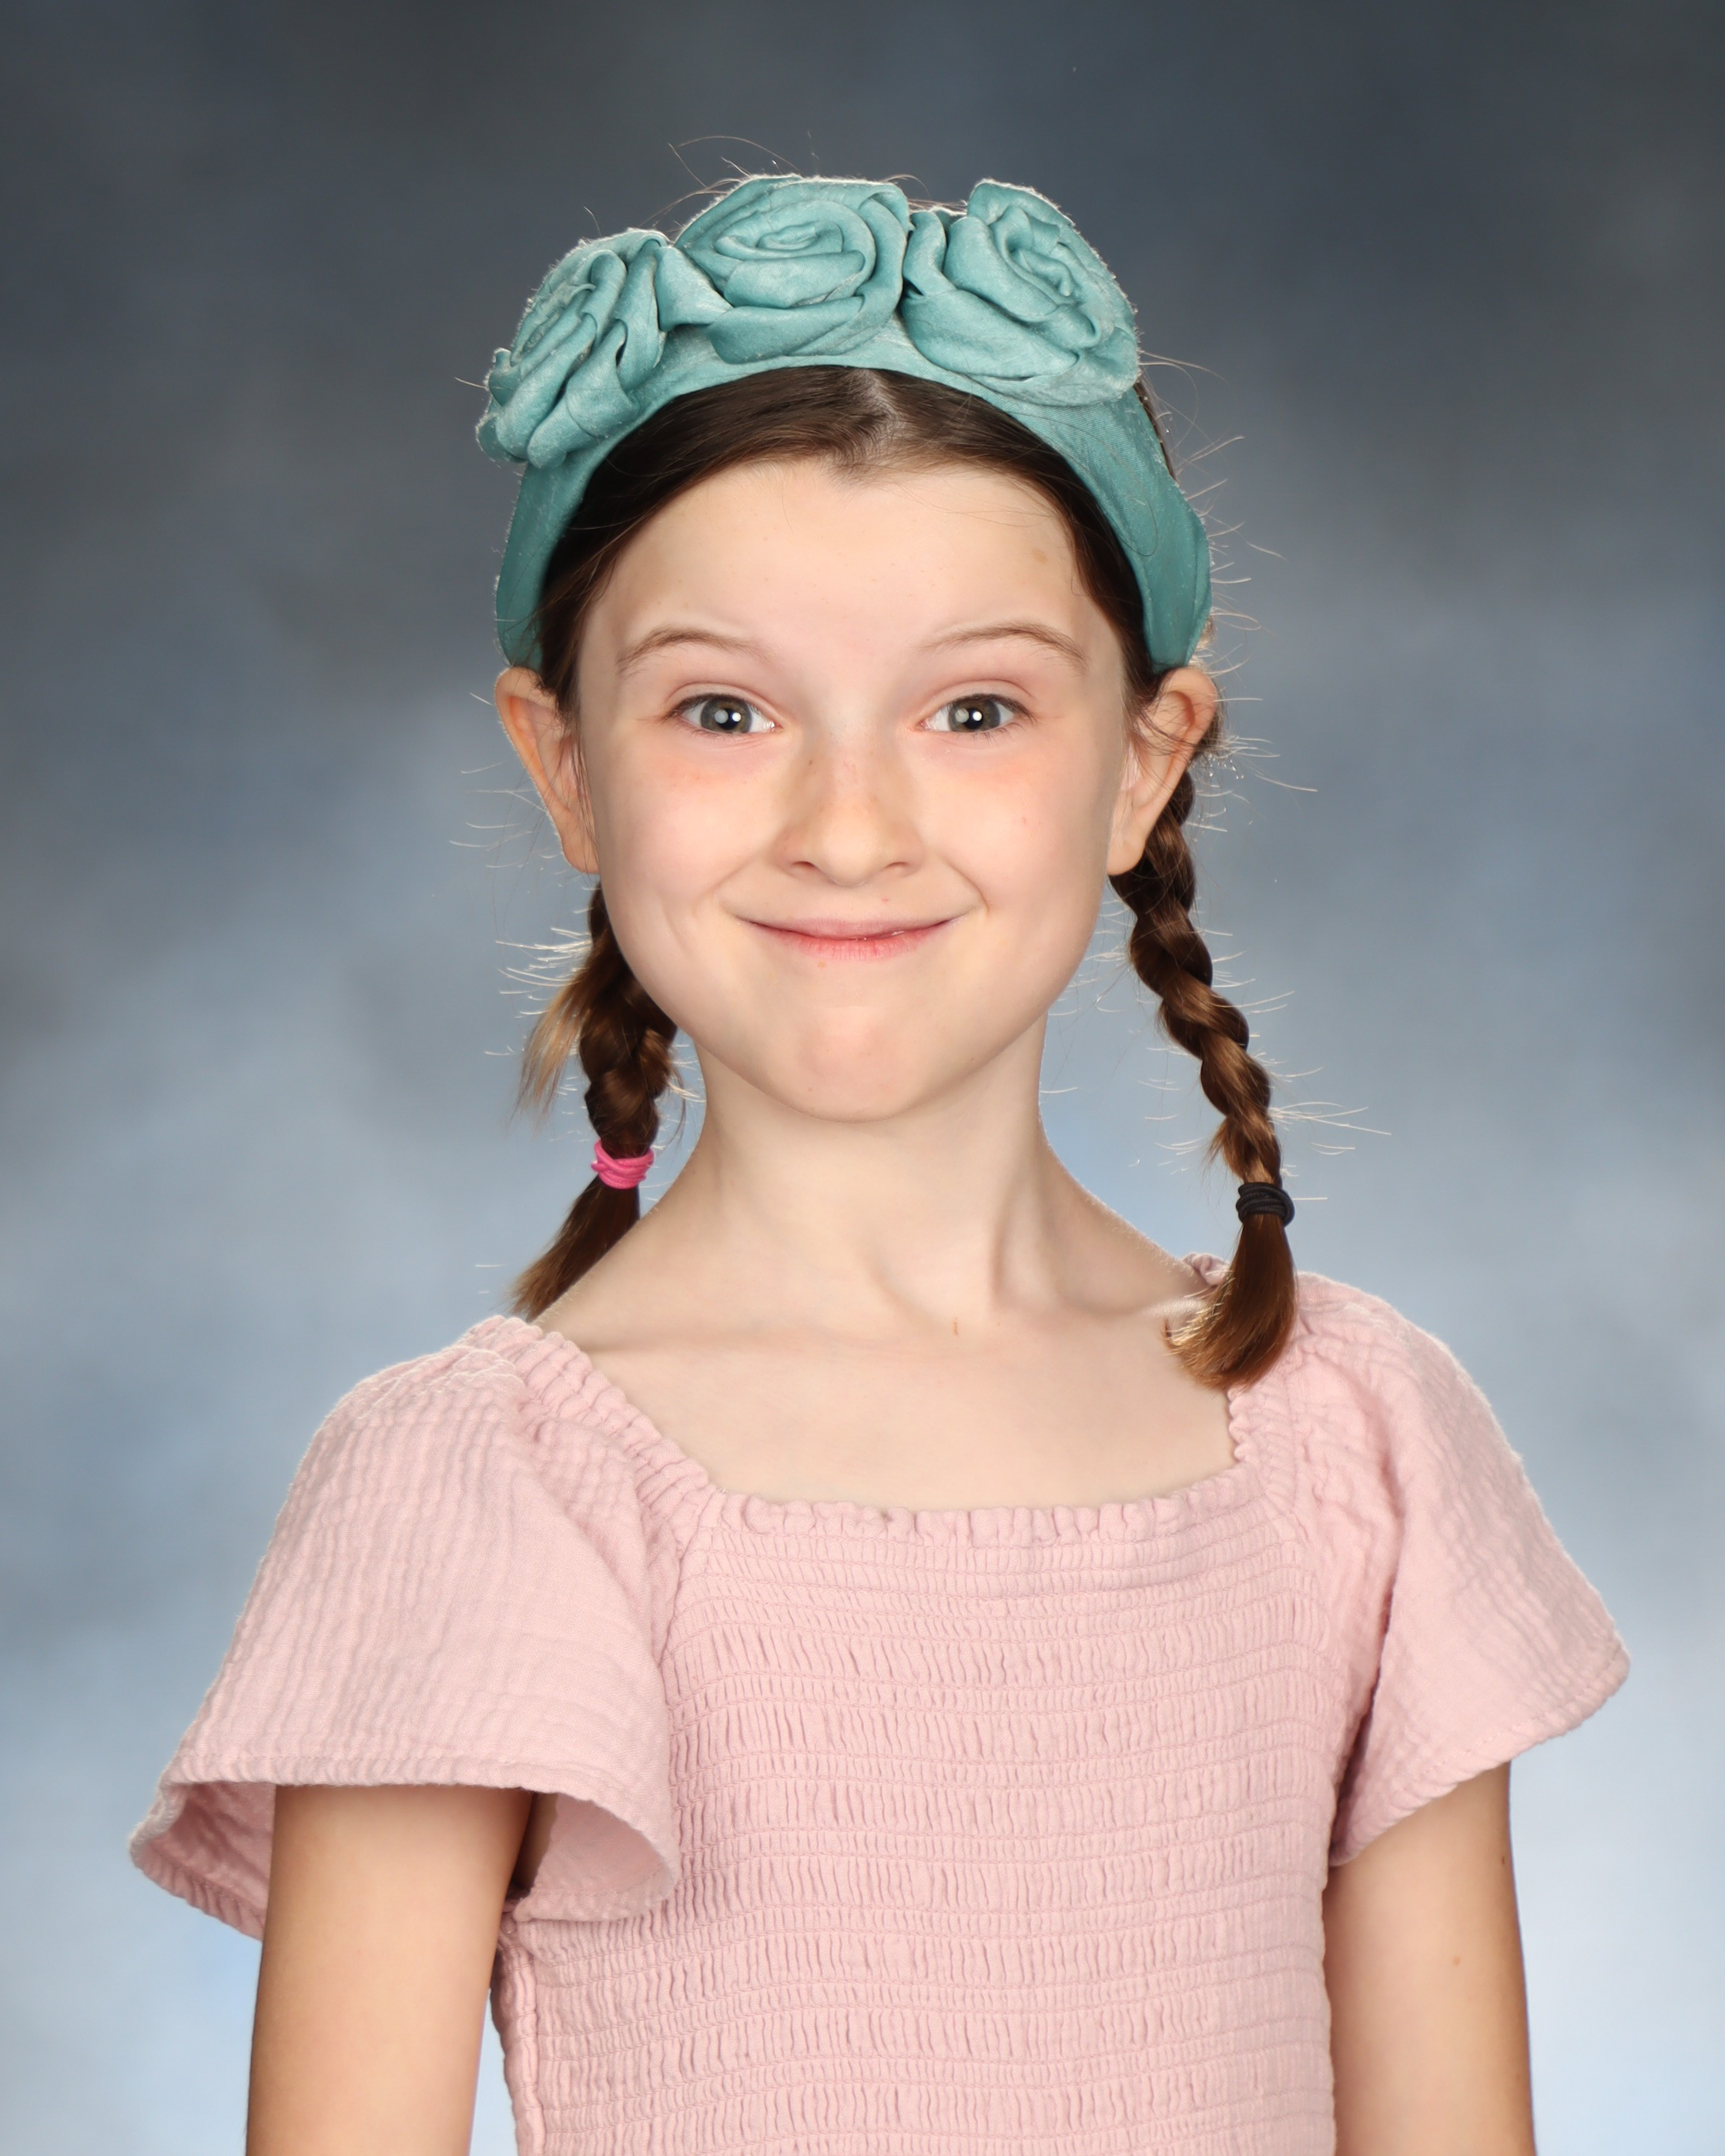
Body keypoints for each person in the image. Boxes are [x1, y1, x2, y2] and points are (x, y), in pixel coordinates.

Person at [130, 176, 1627, 2156]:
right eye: (725, 709)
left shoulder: (1358, 1443)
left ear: (1144, 756)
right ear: (562, 759)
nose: (848, 823)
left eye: (974, 707)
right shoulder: (481, 1484)